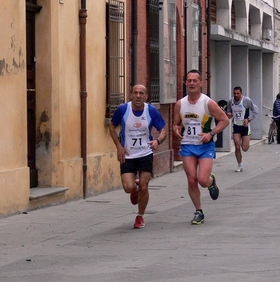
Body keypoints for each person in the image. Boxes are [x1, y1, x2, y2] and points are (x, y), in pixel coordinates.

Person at [173, 69, 229, 225]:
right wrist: (175, 129)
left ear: (200, 83)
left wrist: (210, 134)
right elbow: (175, 123)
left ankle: (211, 181)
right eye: (189, 80)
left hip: (205, 146)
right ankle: (199, 211)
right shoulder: (180, 104)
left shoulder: (207, 103)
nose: (191, 83)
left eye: (194, 80)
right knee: (192, 180)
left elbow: (224, 120)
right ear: (185, 83)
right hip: (188, 145)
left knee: (202, 180)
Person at [109, 84, 166, 229]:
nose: (138, 96)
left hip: (145, 153)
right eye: (135, 93)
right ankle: (134, 189)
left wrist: (157, 140)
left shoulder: (151, 111)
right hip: (128, 154)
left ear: (146, 96)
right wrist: (119, 146)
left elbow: (163, 130)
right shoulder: (123, 109)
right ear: (131, 95)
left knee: (144, 186)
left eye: (141, 93)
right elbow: (111, 126)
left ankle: (140, 216)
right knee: (128, 187)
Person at [226, 86, 258, 172]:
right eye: (234, 93)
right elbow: (229, 112)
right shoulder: (230, 101)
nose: (236, 95)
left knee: (244, 148)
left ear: (241, 93)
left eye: (238, 93)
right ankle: (239, 165)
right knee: (237, 146)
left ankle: (246, 142)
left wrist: (248, 119)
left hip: (245, 126)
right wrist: (228, 114)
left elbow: (255, 110)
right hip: (236, 126)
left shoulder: (246, 100)